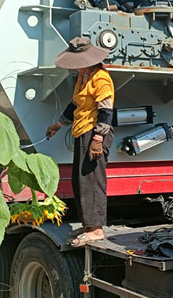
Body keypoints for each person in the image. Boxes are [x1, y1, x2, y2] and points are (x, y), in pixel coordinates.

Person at [46, 37, 114, 247]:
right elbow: (75, 103)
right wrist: (58, 124)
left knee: (92, 181)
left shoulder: (101, 79)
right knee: (81, 180)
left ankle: (96, 230)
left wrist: (98, 138)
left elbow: (106, 110)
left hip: (94, 133)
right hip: (82, 131)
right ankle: (88, 225)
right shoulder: (83, 77)